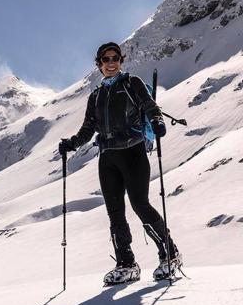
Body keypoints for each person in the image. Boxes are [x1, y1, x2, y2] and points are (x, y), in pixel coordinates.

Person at [58, 42, 182, 285]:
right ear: (99, 64)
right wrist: (71, 143)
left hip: (133, 152)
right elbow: (88, 129)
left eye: (115, 58)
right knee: (115, 214)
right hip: (107, 159)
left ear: (121, 60)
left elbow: (150, 106)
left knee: (140, 205)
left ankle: (170, 254)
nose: (111, 62)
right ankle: (126, 264)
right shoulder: (96, 96)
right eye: (106, 59)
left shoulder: (131, 83)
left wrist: (157, 121)